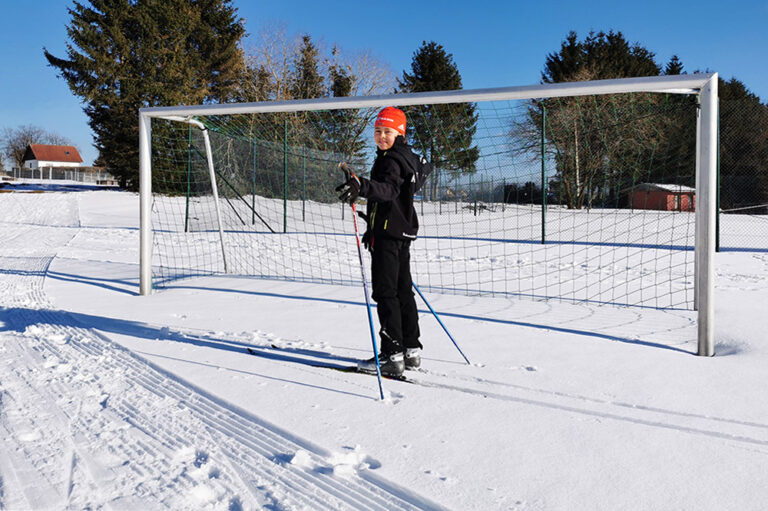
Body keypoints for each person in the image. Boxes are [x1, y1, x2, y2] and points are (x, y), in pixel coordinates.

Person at [336, 106, 432, 377]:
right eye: (378, 131)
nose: (381, 136)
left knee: (385, 293)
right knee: (403, 292)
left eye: (388, 131)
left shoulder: (390, 160)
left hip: (390, 238)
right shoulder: (405, 157)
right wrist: (372, 229)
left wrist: (362, 187)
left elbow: (388, 191)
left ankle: (392, 355)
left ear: (400, 132)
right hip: (399, 233)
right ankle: (411, 350)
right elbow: (392, 200)